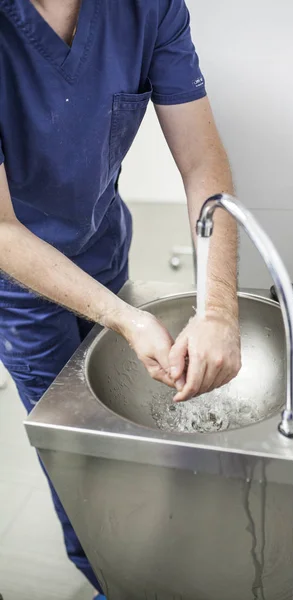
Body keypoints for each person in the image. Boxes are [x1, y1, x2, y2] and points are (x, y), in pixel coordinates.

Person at [0, 0, 241, 597]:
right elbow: (1, 229)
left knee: (124, 422)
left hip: (103, 243)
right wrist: (126, 320)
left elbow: (202, 163)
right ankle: (108, 576)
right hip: (18, 289)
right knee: (76, 452)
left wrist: (219, 309)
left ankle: (145, 554)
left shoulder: (147, 7)